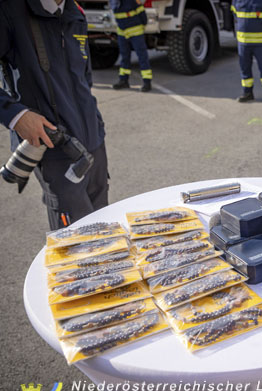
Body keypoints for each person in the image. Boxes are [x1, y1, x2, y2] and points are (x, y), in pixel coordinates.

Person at [0, 0, 109, 230]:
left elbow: (83, 79)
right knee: (76, 244)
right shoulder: (9, 10)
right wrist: (16, 116)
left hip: (93, 145)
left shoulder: (75, 12)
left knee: (103, 232)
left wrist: (96, 126)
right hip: (54, 150)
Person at [232, 0, 262, 104]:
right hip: (243, 42)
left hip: (260, 42)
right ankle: (247, 93)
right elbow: (235, 15)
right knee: (245, 69)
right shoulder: (237, 1)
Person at [111, 0, 152, 92]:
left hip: (136, 32)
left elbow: (143, 17)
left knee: (142, 57)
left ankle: (147, 82)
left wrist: (139, 26)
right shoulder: (114, 2)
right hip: (122, 33)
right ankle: (123, 80)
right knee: (124, 58)